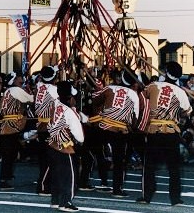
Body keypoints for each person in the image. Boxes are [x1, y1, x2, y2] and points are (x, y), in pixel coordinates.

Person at [137, 61, 192, 206]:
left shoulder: (153, 86)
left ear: (166, 72)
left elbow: (142, 99)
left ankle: (146, 196)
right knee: (174, 167)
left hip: (154, 131)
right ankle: (175, 199)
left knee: (149, 165)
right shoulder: (180, 91)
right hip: (171, 131)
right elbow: (187, 111)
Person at [92, 68, 140, 198]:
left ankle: (101, 182)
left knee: (97, 153)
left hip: (103, 127)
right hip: (120, 131)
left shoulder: (110, 88)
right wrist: (132, 129)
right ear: (133, 83)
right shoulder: (134, 95)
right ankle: (117, 189)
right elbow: (135, 117)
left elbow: (95, 101)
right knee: (119, 161)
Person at [47, 80, 84, 212]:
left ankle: (55, 200)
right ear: (70, 98)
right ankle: (66, 202)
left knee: (56, 175)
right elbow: (80, 137)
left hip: (52, 144)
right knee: (70, 176)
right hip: (65, 147)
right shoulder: (70, 112)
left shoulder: (54, 104)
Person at [0, 71, 34, 190]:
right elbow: (31, 99)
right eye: (19, 78)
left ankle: (7, 175)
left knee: (10, 152)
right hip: (12, 125)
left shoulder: (8, 91)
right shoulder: (16, 90)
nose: (21, 80)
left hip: (6, 125)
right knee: (9, 154)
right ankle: (4, 180)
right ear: (14, 80)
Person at [34, 65, 59, 196]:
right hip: (50, 125)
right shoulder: (55, 90)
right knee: (50, 157)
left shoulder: (39, 86)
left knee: (44, 157)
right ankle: (43, 186)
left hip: (41, 126)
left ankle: (46, 183)